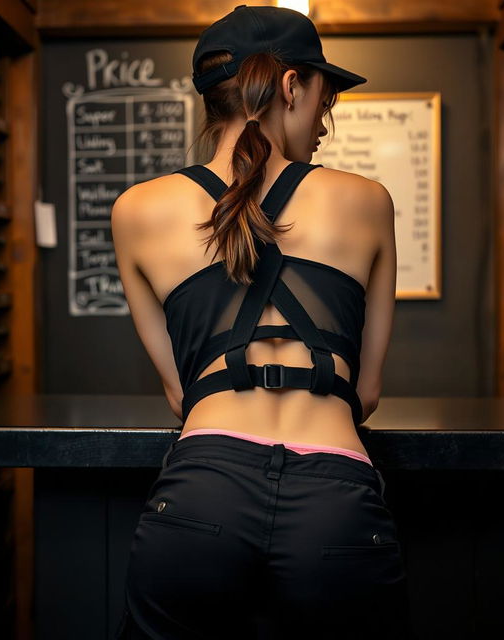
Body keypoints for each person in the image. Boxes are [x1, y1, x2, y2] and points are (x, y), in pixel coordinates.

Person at [111, 5, 410, 639]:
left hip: (201, 496)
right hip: (334, 506)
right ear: (290, 86)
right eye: (324, 99)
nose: (325, 122)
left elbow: (180, 395)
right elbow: (368, 394)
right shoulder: (368, 201)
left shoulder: (135, 210)